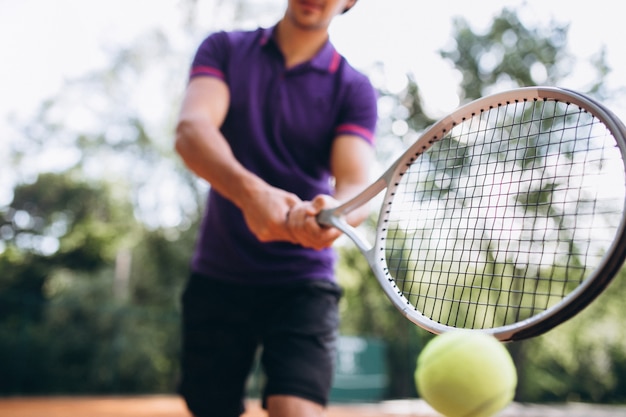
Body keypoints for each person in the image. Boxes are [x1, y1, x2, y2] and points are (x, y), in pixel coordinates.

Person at [174, 0, 377, 416]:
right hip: (219, 275)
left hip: (302, 284)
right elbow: (191, 132)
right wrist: (252, 195)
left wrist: (333, 216)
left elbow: (355, 185)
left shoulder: (353, 88)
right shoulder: (224, 49)